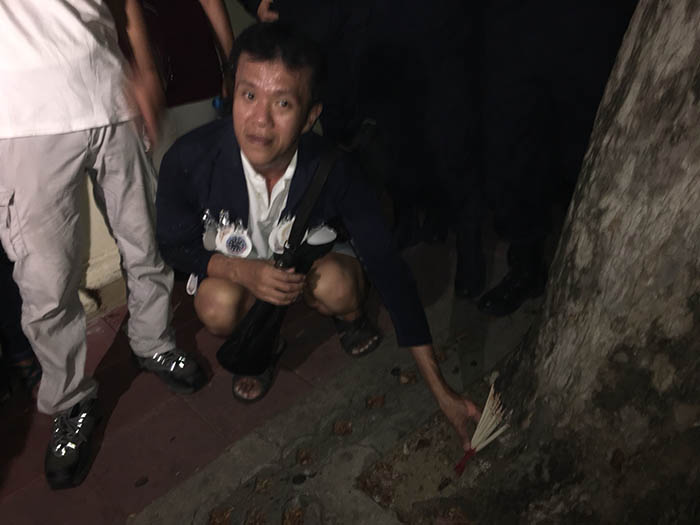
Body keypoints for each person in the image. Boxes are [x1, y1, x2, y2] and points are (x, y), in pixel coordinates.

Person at [156, 22, 480, 449]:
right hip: (238, 269)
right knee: (215, 307)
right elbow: (173, 240)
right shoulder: (190, 159)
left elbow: (388, 267)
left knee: (340, 287)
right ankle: (263, 344)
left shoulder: (334, 170)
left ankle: (347, 319)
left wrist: (443, 393)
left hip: (312, 262)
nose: (260, 120)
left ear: (310, 117)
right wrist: (242, 271)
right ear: (231, 91)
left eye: (283, 103)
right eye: (248, 95)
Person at [0, 0, 206, 489]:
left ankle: (153, 341)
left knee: (145, 241)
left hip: (111, 90)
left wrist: (144, 69)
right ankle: (71, 400)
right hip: (23, 117)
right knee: (46, 284)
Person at [476, 0, 638, 316]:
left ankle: (593, 264)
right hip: (508, 20)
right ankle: (527, 267)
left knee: (588, 144)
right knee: (510, 147)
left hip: (587, 19)